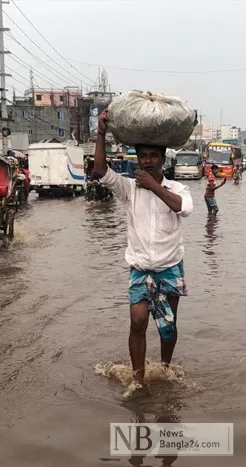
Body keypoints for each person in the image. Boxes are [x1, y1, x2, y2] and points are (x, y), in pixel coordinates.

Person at [94, 109, 194, 396]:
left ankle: (164, 367)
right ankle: (137, 379)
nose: (148, 161)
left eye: (153, 156)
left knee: (168, 327)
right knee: (137, 321)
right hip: (140, 268)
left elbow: (184, 209)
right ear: (137, 159)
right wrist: (101, 133)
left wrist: (154, 186)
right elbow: (100, 172)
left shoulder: (177, 188)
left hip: (170, 267)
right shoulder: (128, 189)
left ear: (163, 159)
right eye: (143, 156)